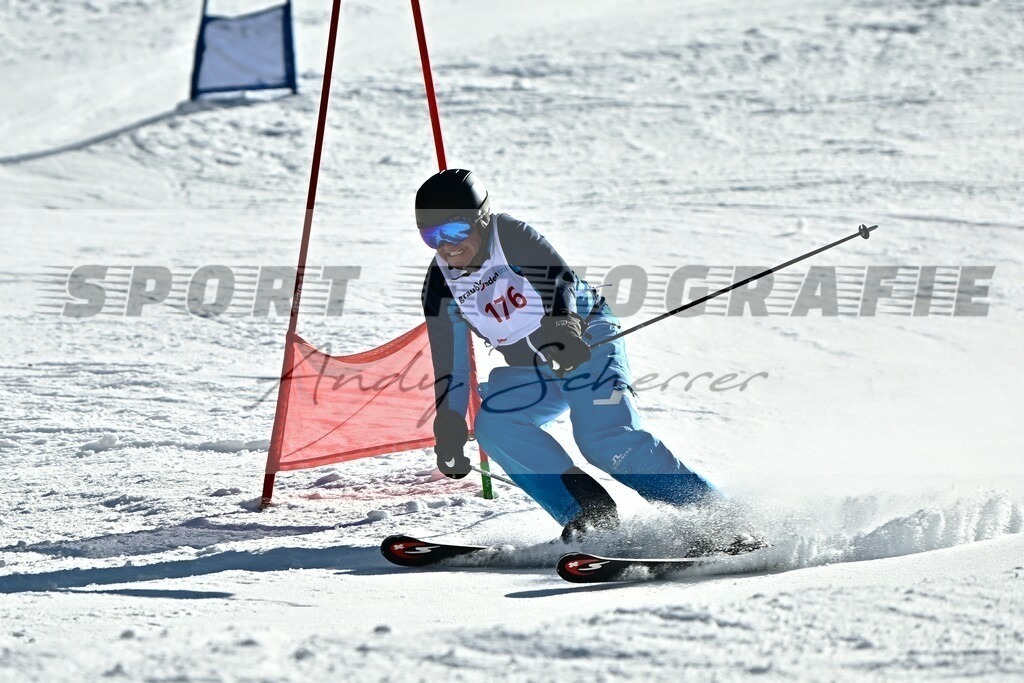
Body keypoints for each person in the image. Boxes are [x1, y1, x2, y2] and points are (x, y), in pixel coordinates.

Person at [417, 169, 715, 541]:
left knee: (603, 439)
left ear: (481, 219)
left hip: (583, 340)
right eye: (432, 236)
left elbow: (558, 279)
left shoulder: (508, 234)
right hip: (531, 369)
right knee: (496, 427)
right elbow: (452, 364)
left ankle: (711, 514)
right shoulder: (439, 286)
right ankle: (589, 515)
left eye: (456, 231)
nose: (446, 245)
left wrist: (563, 325)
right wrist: (448, 423)